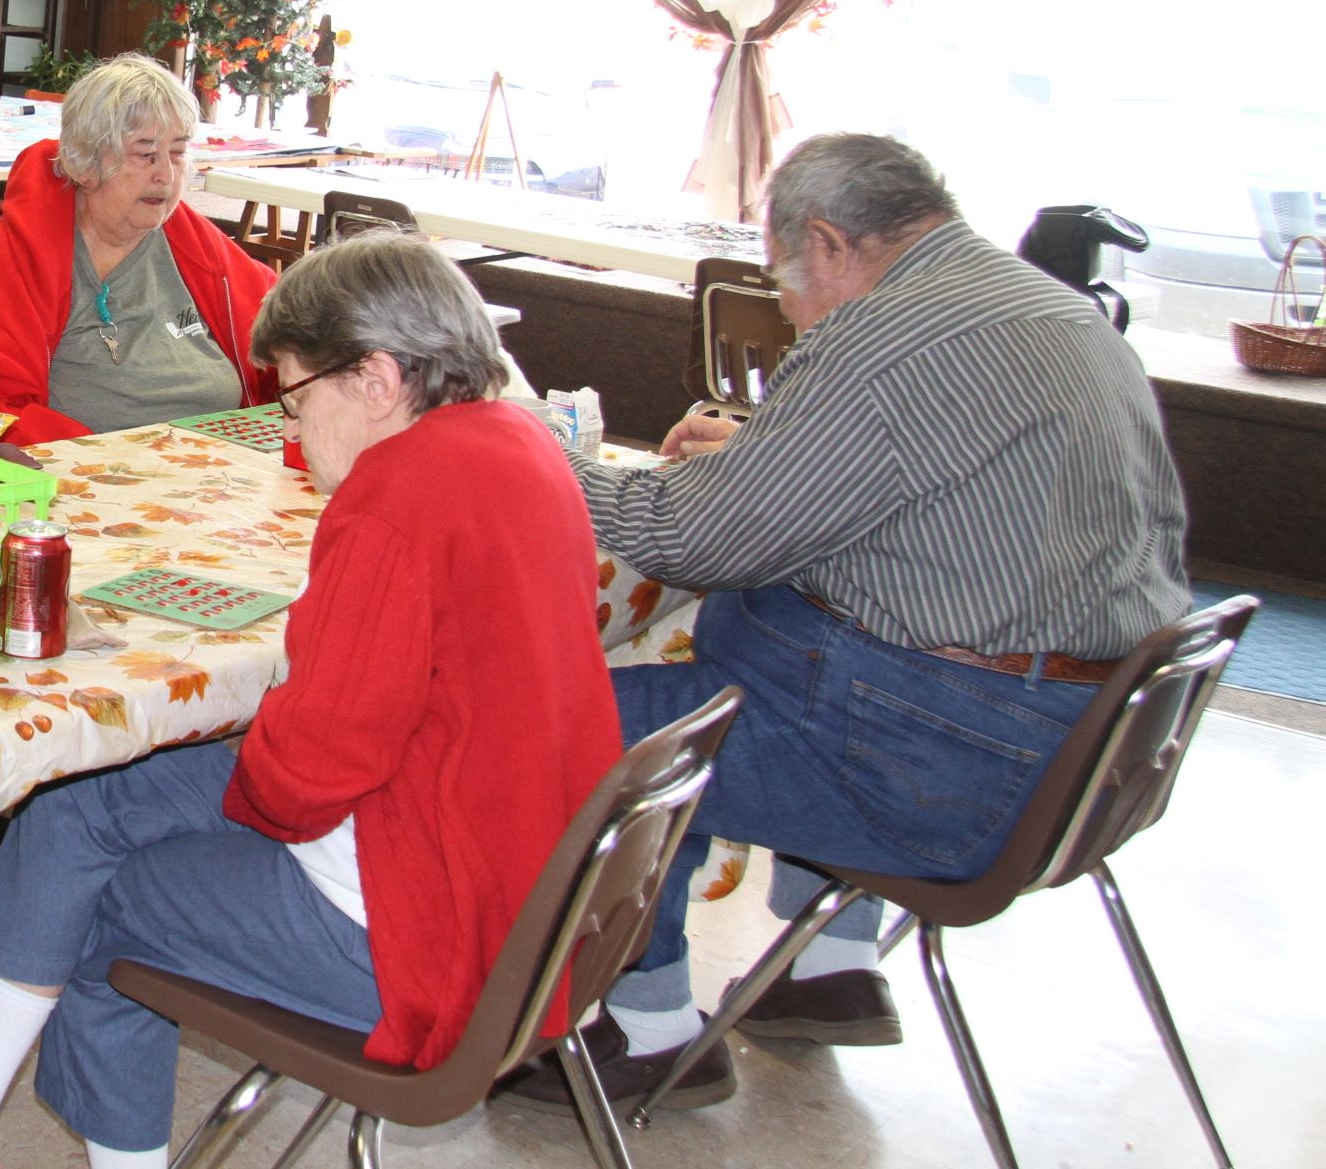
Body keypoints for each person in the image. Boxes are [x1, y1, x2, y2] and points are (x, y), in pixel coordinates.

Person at [0, 235, 621, 1169]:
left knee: (107, 895)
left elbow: (308, 777)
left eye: (297, 395)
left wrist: (237, 803)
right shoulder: (521, 443)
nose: (296, 425)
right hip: (536, 887)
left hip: (427, 932)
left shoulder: (394, 503)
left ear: (378, 378)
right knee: (84, 804)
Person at [500, 133, 1191, 1116]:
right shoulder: (1049, 306)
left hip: (952, 760)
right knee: (787, 624)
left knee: (584, 728)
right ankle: (823, 964)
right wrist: (772, 458)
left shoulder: (886, 335)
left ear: (827, 243)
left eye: (787, 285)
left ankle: (639, 1029)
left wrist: (530, 460)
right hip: (1093, 745)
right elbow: (949, 504)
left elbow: (697, 542)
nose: (793, 314)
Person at [0, 53, 276, 448]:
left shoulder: (189, 240)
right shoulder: (24, 254)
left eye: (177, 152)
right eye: (145, 155)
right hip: (86, 485)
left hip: (217, 469)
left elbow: (287, 326)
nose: (166, 174)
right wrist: (109, 461)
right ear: (84, 164)